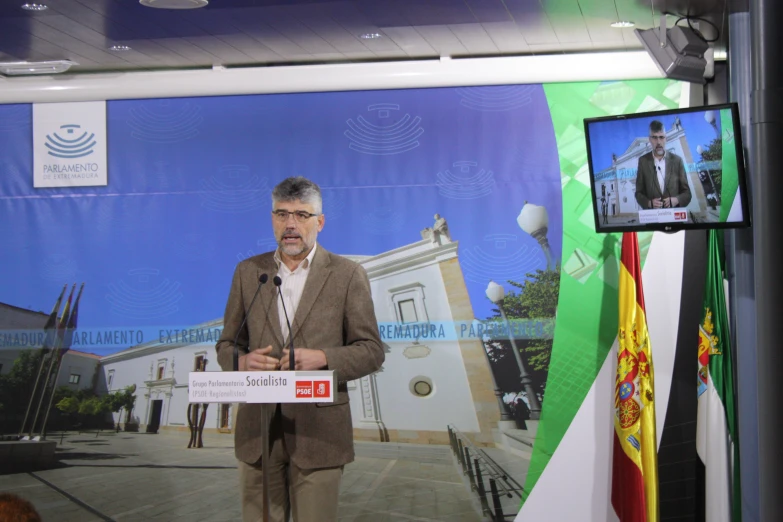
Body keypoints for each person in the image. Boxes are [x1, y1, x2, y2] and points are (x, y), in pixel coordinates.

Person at [215, 176, 384, 522]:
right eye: (282, 214)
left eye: (302, 215)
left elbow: (371, 350)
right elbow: (227, 344)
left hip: (319, 432)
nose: (291, 224)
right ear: (272, 219)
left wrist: (324, 358)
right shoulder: (249, 272)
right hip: (258, 432)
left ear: (319, 222)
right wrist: (242, 360)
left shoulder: (348, 274)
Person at [635, 120, 692, 210]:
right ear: (650, 140)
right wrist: (648, 203)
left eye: (661, 137)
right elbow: (638, 193)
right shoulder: (643, 161)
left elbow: (687, 193)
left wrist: (677, 200)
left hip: (674, 219)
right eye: (654, 138)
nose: (658, 142)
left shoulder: (677, 161)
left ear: (666, 138)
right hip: (653, 220)